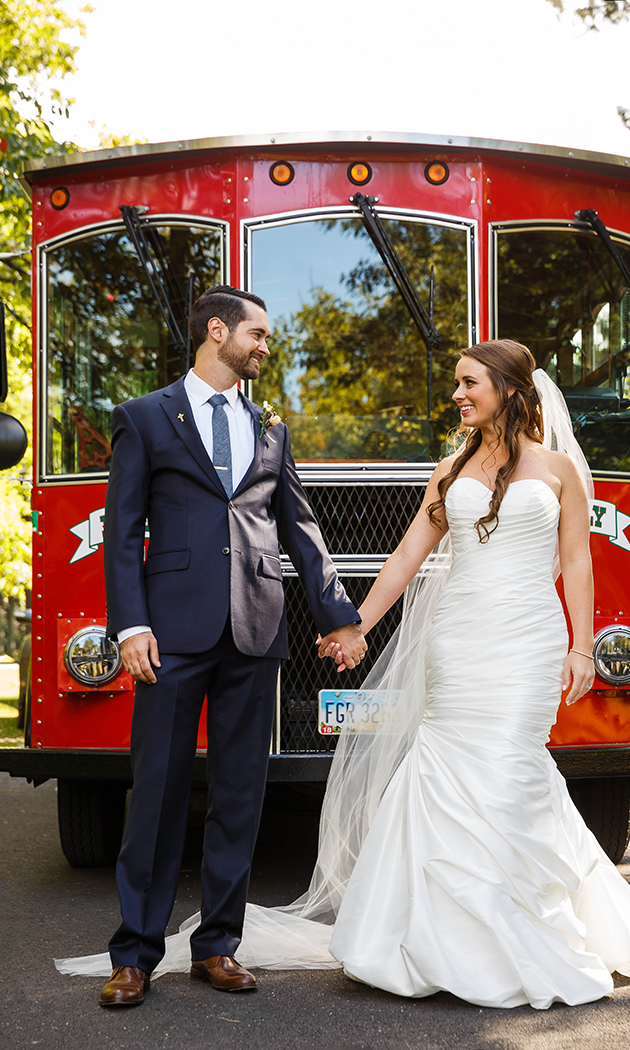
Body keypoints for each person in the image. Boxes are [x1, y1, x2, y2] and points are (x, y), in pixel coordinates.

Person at [58, 339, 630, 1009]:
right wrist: (354, 626)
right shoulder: (450, 470)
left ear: (507, 387)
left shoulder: (558, 469)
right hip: (461, 640)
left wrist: (583, 647)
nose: (457, 394)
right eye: (457, 384)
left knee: (513, 769)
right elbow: (408, 556)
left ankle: (527, 925)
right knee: (449, 772)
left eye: (469, 382)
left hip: (527, 641)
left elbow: (579, 562)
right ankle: (442, 937)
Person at [92, 285, 367, 1007]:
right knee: (156, 794)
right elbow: (122, 534)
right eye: (259, 334)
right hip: (169, 635)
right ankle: (135, 956)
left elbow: (300, 529)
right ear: (218, 332)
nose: (266, 346)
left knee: (241, 796)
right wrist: (131, 625)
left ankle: (217, 946)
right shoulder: (145, 418)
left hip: (255, 628)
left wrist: (339, 616)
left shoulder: (270, 425)